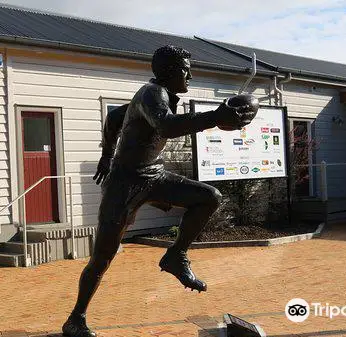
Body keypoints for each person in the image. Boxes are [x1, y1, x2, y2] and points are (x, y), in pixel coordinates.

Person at [62, 45, 257, 337]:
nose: (190, 74)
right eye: (185, 69)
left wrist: (106, 153)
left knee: (209, 197)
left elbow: (115, 117)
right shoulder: (151, 94)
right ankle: (75, 319)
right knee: (102, 257)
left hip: (154, 176)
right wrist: (215, 117)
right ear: (167, 72)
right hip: (125, 184)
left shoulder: (156, 95)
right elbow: (166, 126)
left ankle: (175, 256)